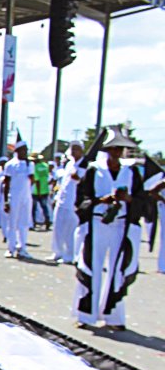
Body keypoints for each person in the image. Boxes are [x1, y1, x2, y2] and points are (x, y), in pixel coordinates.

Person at [73, 126, 145, 330]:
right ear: (106, 151)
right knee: (91, 266)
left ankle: (113, 316)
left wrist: (128, 199)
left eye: (119, 150)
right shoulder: (95, 171)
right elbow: (82, 199)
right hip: (97, 222)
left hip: (121, 224)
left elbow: (142, 199)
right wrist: (100, 201)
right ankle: (86, 315)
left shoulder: (130, 172)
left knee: (117, 269)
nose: (116, 153)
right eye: (113, 149)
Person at [49, 141, 85, 263]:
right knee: (58, 227)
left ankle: (69, 255)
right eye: (72, 149)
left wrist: (79, 178)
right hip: (62, 200)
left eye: (77, 149)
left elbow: (84, 184)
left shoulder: (85, 166)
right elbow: (63, 184)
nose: (74, 151)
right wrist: (57, 197)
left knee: (70, 230)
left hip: (73, 203)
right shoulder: (69, 164)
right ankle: (57, 252)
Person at [3, 136, 34, 258]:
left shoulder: (29, 164)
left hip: (26, 197)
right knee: (12, 223)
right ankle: (11, 248)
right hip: (14, 197)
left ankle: (23, 248)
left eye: (26, 150)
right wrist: (6, 200)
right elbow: (6, 183)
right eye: (23, 150)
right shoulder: (10, 164)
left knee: (24, 223)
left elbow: (32, 180)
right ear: (17, 151)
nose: (25, 152)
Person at [31, 153, 51, 230]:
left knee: (34, 208)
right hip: (45, 189)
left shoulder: (35, 167)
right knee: (44, 207)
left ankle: (33, 222)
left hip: (36, 191)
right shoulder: (46, 166)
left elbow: (37, 180)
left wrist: (38, 192)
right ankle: (47, 221)